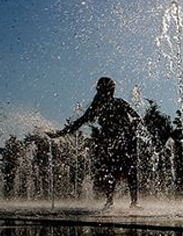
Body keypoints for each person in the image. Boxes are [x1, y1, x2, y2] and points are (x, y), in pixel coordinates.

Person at [49, 77, 141, 210]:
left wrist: (132, 126)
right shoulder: (98, 106)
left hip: (123, 142)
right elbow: (80, 121)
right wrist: (60, 133)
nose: (112, 91)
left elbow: (137, 117)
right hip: (112, 144)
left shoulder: (118, 103)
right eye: (111, 88)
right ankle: (117, 202)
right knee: (116, 171)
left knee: (124, 171)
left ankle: (125, 202)